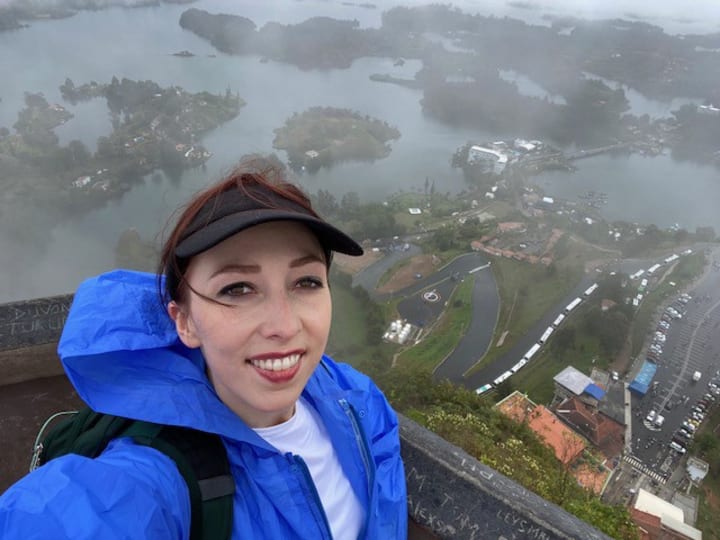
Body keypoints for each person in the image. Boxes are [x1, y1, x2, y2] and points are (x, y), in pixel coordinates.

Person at [0, 163, 407, 539]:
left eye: (306, 282)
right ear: (185, 322)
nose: (284, 326)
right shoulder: (158, 477)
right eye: (237, 289)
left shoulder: (355, 400)